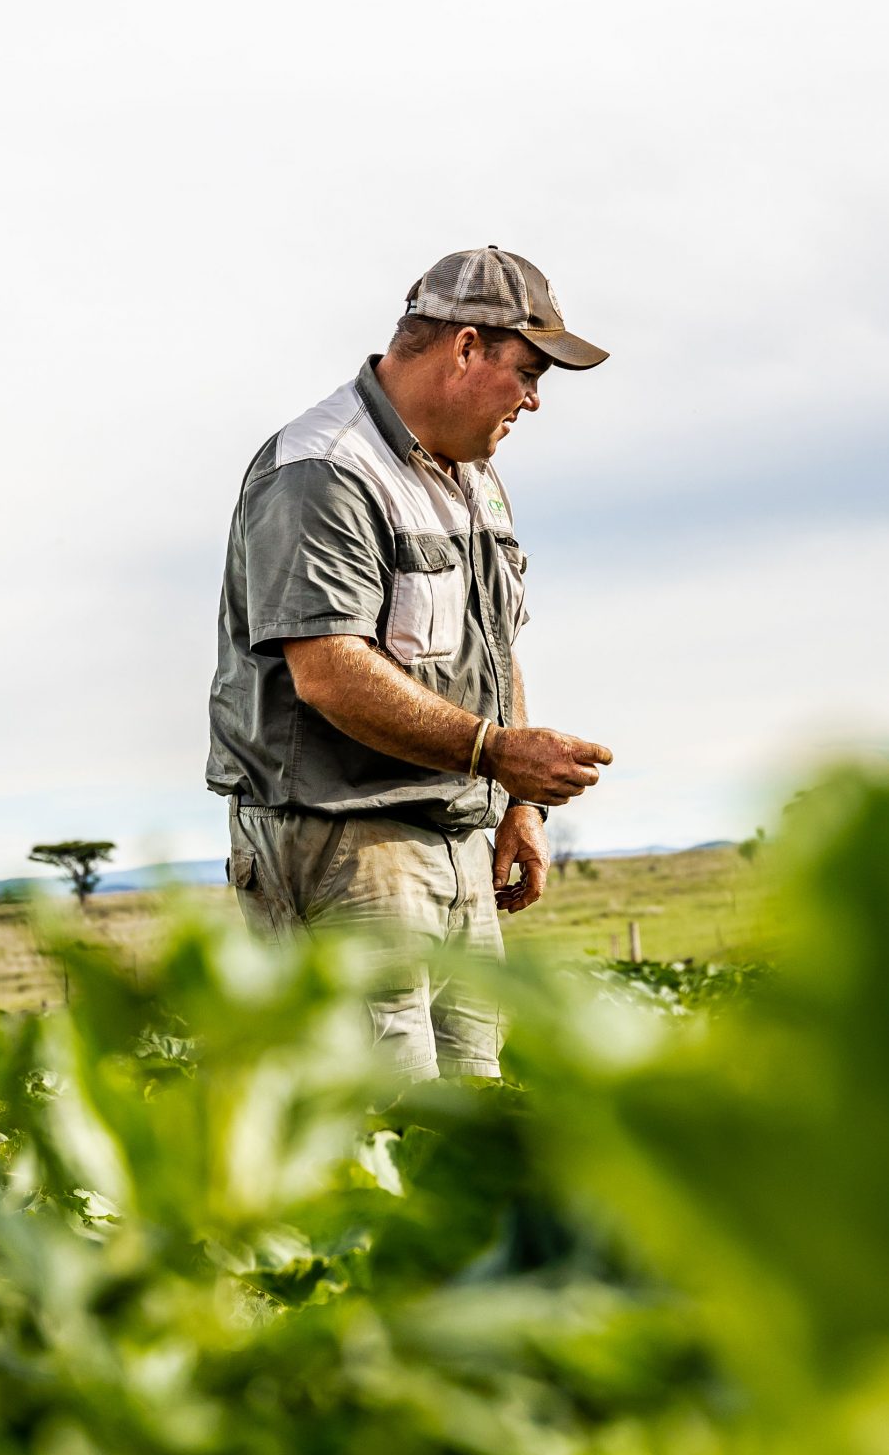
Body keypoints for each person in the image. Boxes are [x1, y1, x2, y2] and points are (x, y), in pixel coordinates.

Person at [207, 246, 617, 1079]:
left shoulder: (476, 480)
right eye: (528, 370)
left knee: (471, 1123)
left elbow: (494, 647)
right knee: (381, 1125)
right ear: (465, 347)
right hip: (345, 839)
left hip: (453, 838)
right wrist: (493, 752)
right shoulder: (324, 467)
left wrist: (517, 802)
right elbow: (327, 669)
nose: (535, 400)